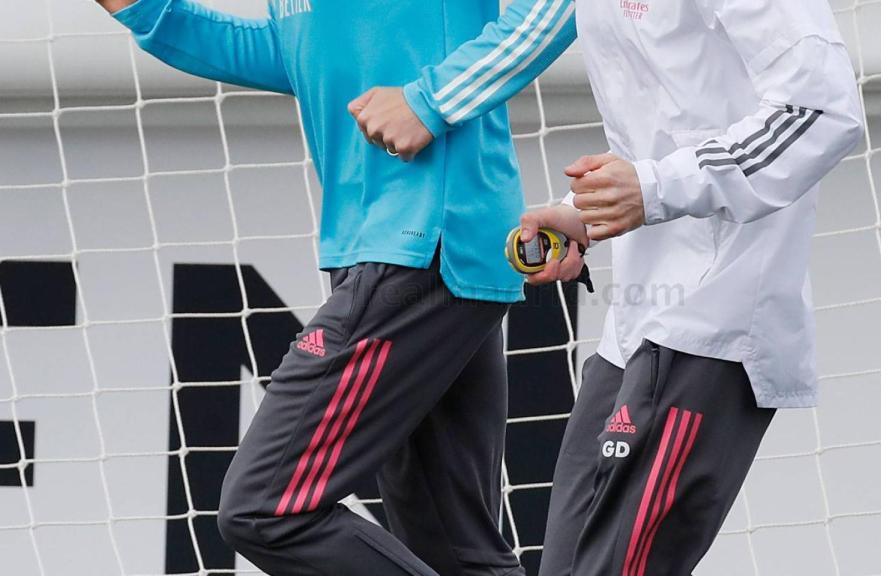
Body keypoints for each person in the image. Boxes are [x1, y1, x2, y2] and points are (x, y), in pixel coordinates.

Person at [353, 0, 863, 573]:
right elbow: (664, 126)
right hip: (632, 335)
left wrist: (652, 187)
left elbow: (822, 110)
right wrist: (585, 212)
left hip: (717, 320)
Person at [92, 0, 576, 574]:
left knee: (264, 509)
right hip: (401, 256)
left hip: (422, 246)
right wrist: (149, 12)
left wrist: (429, 101)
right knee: (452, 553)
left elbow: (555, 9)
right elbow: (288, 53)